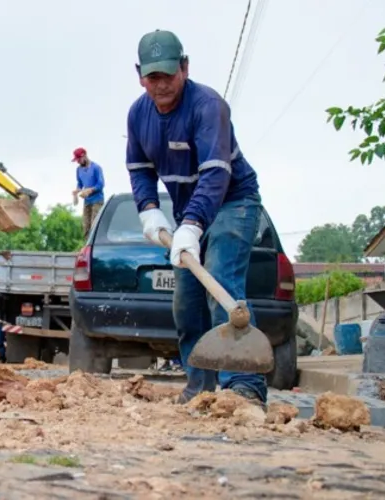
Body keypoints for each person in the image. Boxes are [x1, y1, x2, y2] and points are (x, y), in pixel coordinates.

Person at [125, 29, 267, 408]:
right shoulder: (138, 115)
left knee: (222, 277)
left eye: (168, 75)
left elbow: (217, 174)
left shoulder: (208, 106)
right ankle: (200, 388)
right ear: (140, 75)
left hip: (234, 202)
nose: (161, 85)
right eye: (152, 77)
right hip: (192, 211)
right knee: (186, 302)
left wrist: (192, 225)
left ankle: (243, 387)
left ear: (184, 68)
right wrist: (148, 209)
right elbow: (139, 169)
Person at [71, 147, 106, 241]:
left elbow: (101, 184)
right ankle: (87, 246)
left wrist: (90, 190)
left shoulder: (96, 168)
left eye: (79, 159)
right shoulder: (78, 170)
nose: (78, 162)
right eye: (76, 160)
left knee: (94, 225)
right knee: (86, 226)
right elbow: (80, 183)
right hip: (87, 201)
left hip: (97, 200)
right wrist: (77, 190)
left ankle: (95, 245)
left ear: (84, 156)